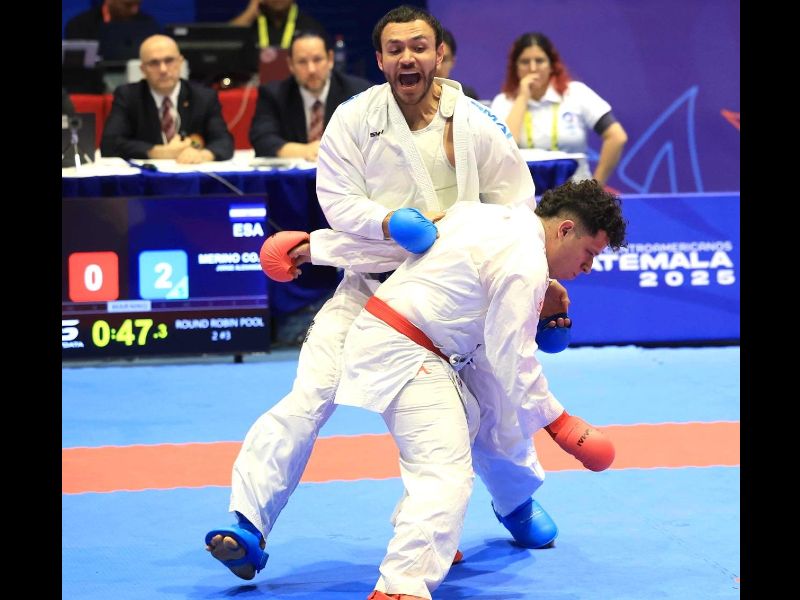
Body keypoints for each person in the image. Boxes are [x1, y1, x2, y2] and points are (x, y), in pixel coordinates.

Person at [205, 5, 583, 582]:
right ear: (379, 59)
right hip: (374, 294)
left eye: (420, 46)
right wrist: (387, 223)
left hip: (460, 302)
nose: (409, 57)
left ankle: (515, 504)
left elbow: (516, 212)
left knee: (496, 415)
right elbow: (336, 201)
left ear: (439, 55)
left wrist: (535, 294)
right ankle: (248, 521)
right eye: (396, 49)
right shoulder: (353, 119)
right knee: (305, 399)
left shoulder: (478, 123)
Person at [317, 179, 625, 599]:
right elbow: (510, 356)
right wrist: (562, 424)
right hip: (407, 348)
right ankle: (400, 586)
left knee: (469, 422)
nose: (588, 267)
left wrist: (314, 248)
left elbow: (400, 244)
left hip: (405, 341)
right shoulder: (526, 261)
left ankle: (431, 536)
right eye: (590, 253)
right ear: (565, 230)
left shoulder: (480, 212)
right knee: (445, 471)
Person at [489, 32, 628, 187]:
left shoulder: (576, 93)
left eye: (540, 61)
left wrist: (595, 188)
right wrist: (522, 98)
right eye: (525, 62)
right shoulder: (502, 102)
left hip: (576, 196)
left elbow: (617, 137)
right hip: (524, 197)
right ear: (515, 67)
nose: (533, 68)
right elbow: (505, 147)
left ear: (552, 65)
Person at [100, 35, 234, 163]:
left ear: (180, 62)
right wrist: (159, 152)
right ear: (143, 69)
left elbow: (224, 142)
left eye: (169, 61)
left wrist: (201, 155)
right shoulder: (128, 96)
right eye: (154, 63)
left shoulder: (203, 97)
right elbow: (109, 145)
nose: (163, 69)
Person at [249, 31, 371, 160]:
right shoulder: (274, 95)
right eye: (302, 62)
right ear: (291, 65)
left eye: (317, 60)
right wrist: (306, 151)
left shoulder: (358, 92)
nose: (311, 69)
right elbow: (262, 139)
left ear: (330, 59)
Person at [230, 0, 328, 74]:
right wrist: (250, 12)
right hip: (252, 89)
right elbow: (224, 42)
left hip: (296, 89)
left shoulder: (310, 27)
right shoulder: (250, 23)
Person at [64, 0, 160, 40]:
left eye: (137, 4)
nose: (134, 10)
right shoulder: (79, 26)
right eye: (128, 5)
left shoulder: (148, 24)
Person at [437, 29, 479, 101]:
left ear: (453, 62)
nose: (438, 67)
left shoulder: (466, 96)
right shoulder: (413, 96)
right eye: (435, 59)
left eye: (444, 59)